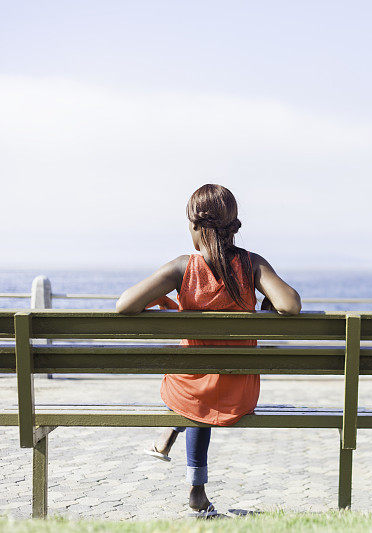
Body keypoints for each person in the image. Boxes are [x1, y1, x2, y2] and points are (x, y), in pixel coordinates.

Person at [115, 183, 301, 515]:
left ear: (196, 226)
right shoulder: (252, 265)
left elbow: (124, 306)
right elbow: (290, 305)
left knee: (194, 388)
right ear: (232, 224)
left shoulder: (180, 268)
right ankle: (194, 488)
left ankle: (186, 469)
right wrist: (265, 303)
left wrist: (164, 300)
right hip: (238, 390)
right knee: (205, 388)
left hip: (189, 389)